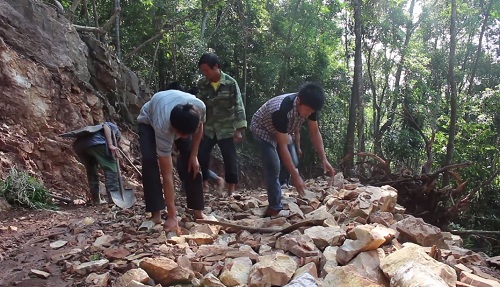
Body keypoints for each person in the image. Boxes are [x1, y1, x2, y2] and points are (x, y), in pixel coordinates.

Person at [250, 82, 336, 217]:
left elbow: (315, 133)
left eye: (312, 112)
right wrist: (296, 177)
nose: (309, 114)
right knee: (274, 166)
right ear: (299, 101)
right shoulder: (281, 110)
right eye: (308, 111)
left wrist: (324, 159)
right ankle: (274, 208)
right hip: (262, 130)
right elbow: (282, 146)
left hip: (283, 131)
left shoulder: (310, 107)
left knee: (294, 161)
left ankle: (282, 185)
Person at [137, 89, 206, 232]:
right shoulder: (163, 126)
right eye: (180, 134)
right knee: (149, 160)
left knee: (190, 159)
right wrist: (172, 215)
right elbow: (167, 174)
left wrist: (194, 155)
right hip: (148, 120)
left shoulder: (199, 107)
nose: (183, 137)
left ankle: (198, 210)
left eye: (187, 134)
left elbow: (199, 128)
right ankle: (156, 214)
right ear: (173, 128)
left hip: (178, 117)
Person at [196, 53, 247, 196]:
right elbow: (198, 106)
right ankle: (204, 184)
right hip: (208, 127)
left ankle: (231, 189)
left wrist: (238, 129)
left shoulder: (230, 83)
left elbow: (238, 105)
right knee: (202, 154)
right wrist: (198, 127)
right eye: (203, 71)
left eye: (207, 70)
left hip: (226, 127)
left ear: (216, 67)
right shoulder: (202, 84)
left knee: (229, 157)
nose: (205, 74)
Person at [72, 122, 121, 205]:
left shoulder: (95, 129)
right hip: (96, 143)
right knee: (111, 167)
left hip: (80, 146)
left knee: (91, 170)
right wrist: (110, 145)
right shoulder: (113, 127)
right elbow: (106, 126)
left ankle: (96, 200)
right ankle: (113, 199)